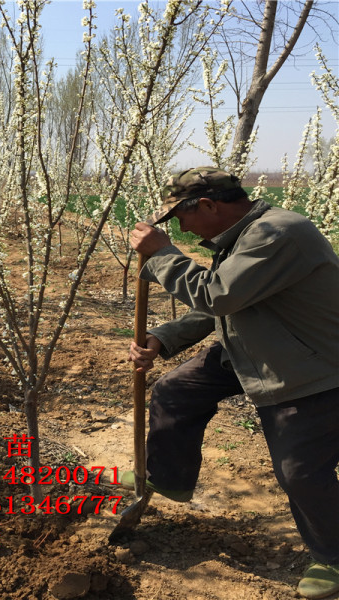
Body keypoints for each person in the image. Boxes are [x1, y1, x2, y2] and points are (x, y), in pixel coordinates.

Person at [127, 166, 339, 600]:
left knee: (300, 472)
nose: (181, 227)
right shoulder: (241, 239)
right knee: (176, 391)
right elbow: (223, 306)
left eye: (182, 216)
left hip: (308, 367)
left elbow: (219, 295)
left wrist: (164, 254)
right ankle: (168, 477)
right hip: (253, 349)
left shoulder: (279, 232)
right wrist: (163, 338)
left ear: (208, 205)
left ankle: (333, 555)